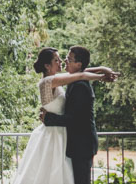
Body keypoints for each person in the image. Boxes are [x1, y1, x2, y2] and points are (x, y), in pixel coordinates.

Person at [13, 47, 117, 184]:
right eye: (57, 60)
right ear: (47, 66)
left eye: (66, 59)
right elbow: (81, 74)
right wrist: (102, 76)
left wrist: (103, 69)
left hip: (64, 135)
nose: (62, 61)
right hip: (54, 135)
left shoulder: (61, 80)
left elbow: (81, 73)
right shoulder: (48, 82)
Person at [42, 46, 114, 184]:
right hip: (77, 143)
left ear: (78, 64)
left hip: (82, 144)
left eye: (69, 59)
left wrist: (49, 118)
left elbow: (75, 120)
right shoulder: (74, 79)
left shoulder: (80, 86)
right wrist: (102, 69)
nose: (65, 61)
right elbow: (82, 72)